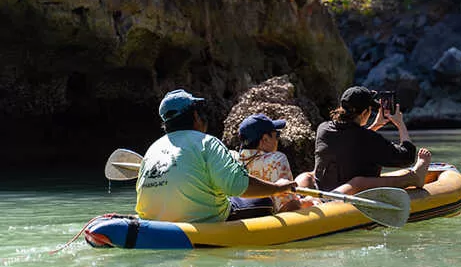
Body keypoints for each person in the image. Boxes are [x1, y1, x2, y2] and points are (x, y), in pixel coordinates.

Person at [136, 89, 296, 223]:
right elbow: (239, 186)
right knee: (265, 202)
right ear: (195, 117)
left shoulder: (153, 149)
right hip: (203, 219)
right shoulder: (208, 142)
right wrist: (278, 188)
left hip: (154, 220)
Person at [297, 86, 431, 195]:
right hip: (348, 193)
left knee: (307, 175)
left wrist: (376, 125)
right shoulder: (368, 139)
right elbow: (406, 157)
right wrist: (400, 124)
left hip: (323, 188)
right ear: (364, 113)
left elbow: (351, 141)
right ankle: (414, 178)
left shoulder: (323, 128)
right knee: (360, 182)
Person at [234, 113, 304, 213]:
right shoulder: (276, 159)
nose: (278, 140)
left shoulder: (233, 162)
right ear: (265, 139)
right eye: (277, 135)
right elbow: (289, 206)